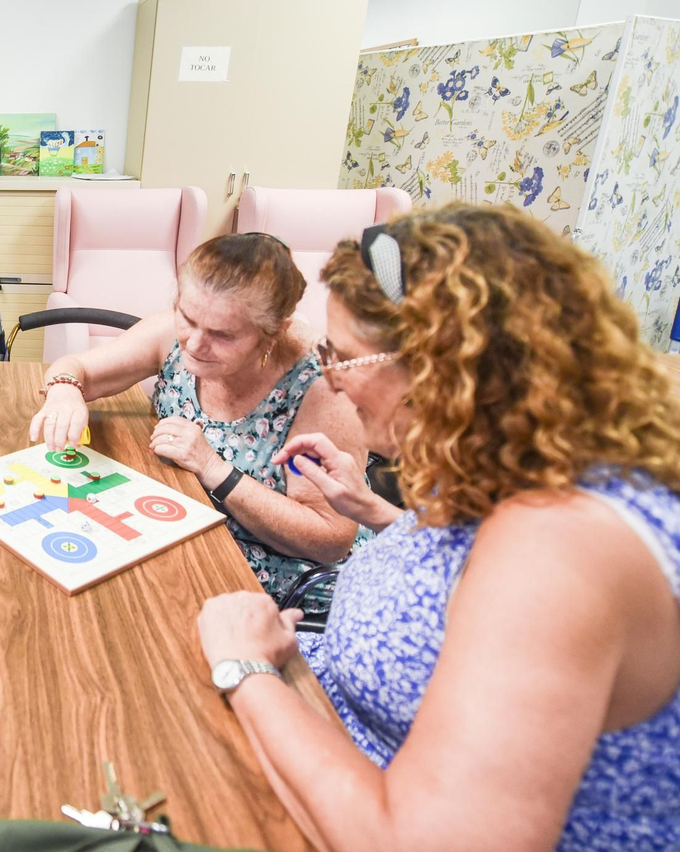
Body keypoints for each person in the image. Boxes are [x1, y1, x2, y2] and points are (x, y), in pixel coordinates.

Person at [196, 205, 680, 850]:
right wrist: (374, 509)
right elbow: (470, 569)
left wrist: (246, 670)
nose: (332, 383)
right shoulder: (528, 460)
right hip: (323, 731)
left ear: (439, 366)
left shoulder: (562, 552)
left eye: (342, 358)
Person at [28, 233, 367, 606]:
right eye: (187, 317)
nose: (193, 343)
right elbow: (78, 370)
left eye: (222, 335)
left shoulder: (320, 390)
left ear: (273, 334)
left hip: (273, 583)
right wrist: (64, 391)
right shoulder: (176, 332)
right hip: (179, 529)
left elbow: (329, 538)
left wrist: (213, 468)